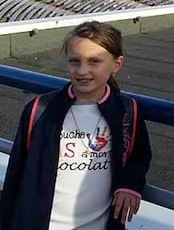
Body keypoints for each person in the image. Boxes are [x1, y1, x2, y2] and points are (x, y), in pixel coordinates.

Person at [0, 21, 152, 230]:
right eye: (75, 61)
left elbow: (139, 155)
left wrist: (130, 185)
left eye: (94, 62)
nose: (82, 70)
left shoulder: (127, 111)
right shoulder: (40, 110)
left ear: (116, 64)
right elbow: (16, 173)